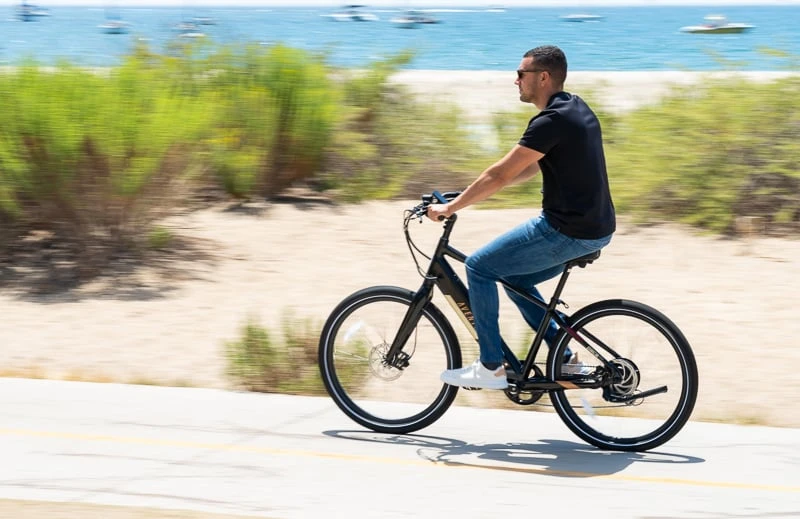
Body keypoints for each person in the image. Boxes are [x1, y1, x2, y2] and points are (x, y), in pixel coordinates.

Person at [427, 45, 616, 390]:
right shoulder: (575, 107)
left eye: (520, 74)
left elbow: (499, 174)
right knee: (514, 278)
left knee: (479, 267)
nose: (515, 80)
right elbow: (528, 167)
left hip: (567, 230)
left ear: (543, 77)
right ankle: (564, 358)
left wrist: (450, 208)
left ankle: (490, 366)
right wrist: (469, 194)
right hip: (595, 228)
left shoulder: (550, 121)